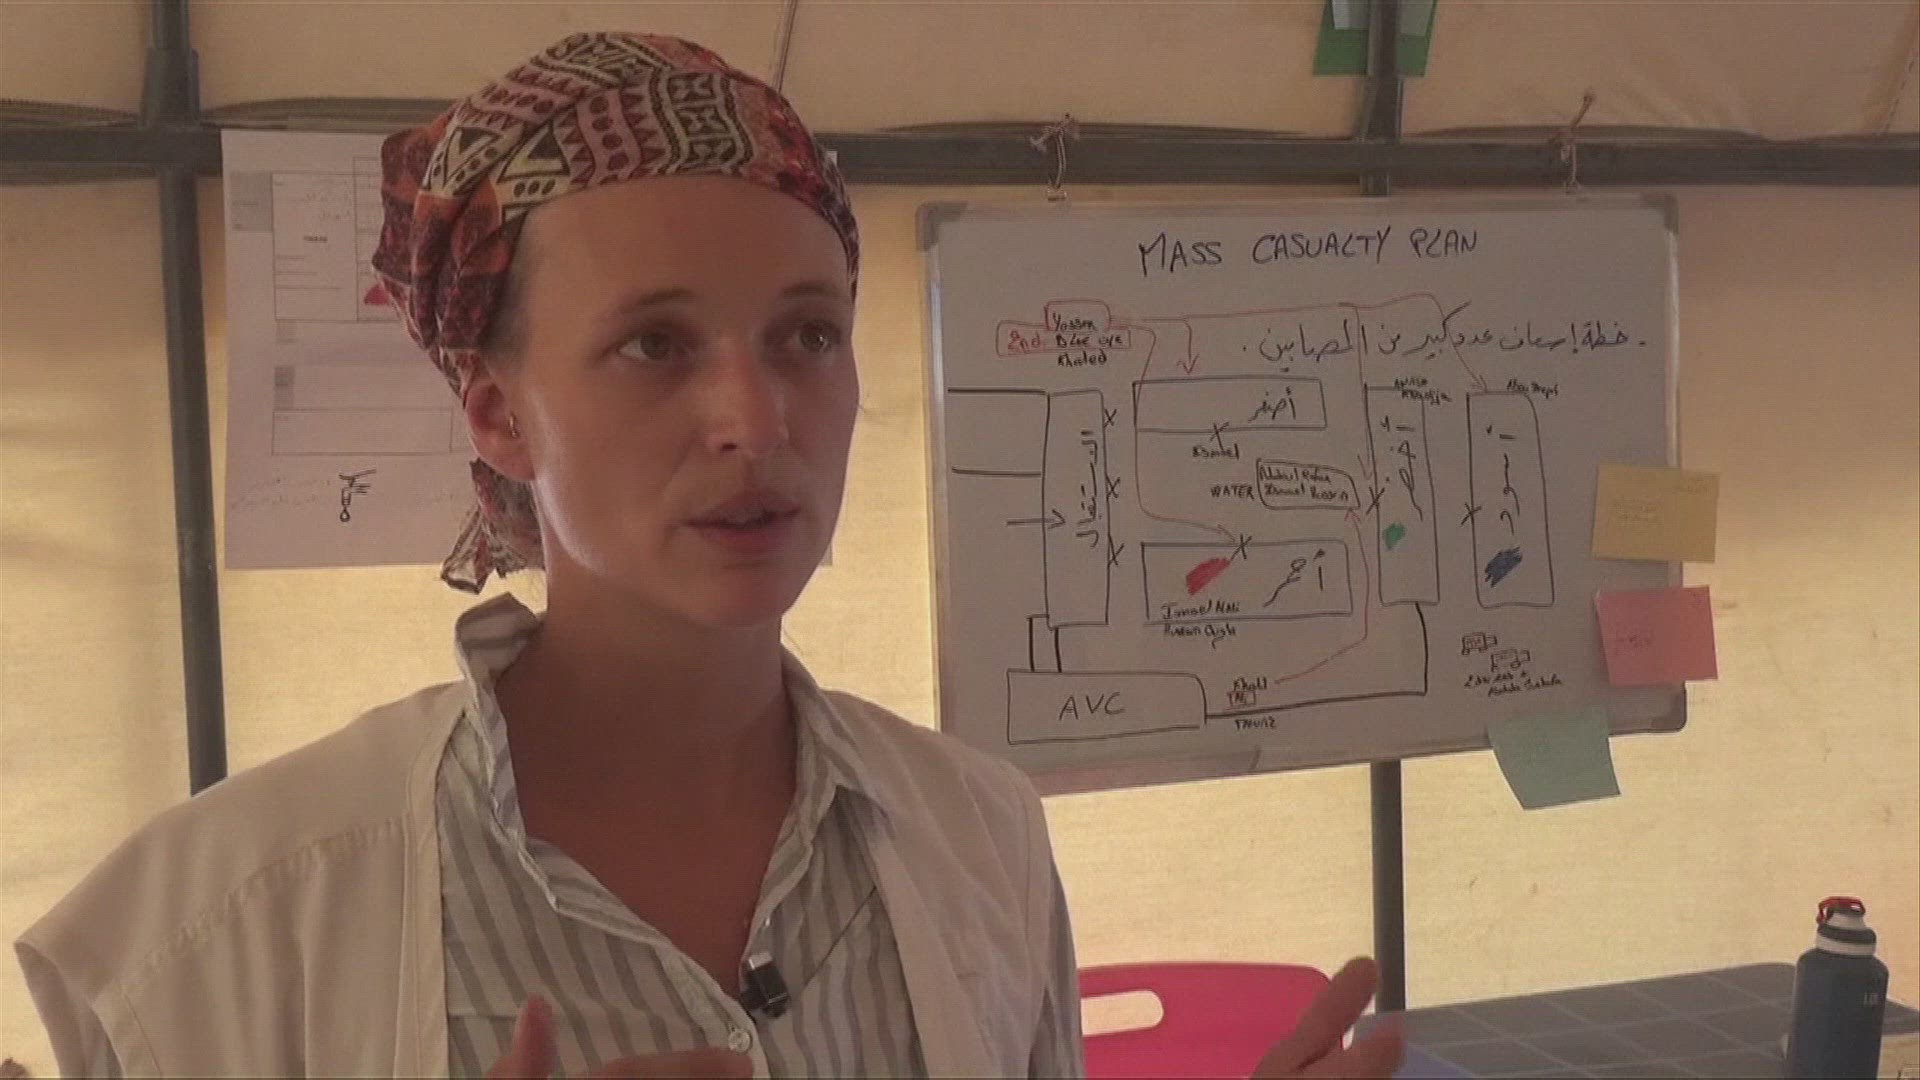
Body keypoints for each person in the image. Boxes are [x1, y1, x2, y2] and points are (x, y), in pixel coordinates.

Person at [14, 32, 1403, 1079]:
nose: (755, 417)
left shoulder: (978, 836)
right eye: (653, 344)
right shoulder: (224, 926)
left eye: (807, 334)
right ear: (496, 412)